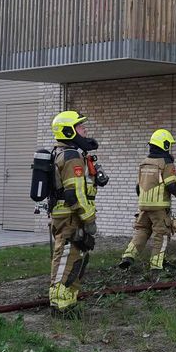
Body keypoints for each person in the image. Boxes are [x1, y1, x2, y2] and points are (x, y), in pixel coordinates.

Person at [46, 111, 103, 316]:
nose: (85, 130)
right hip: (70, 216)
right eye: (80, 127)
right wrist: (90, 219)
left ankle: (69, 300)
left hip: (69, 215)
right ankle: (59, 305)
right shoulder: (71, 156)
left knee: (77, 257)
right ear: (68, 131)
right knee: (67, 258)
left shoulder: (67, 153)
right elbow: (75, 194)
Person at [119, 129, 176, 272]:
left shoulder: (144, 162)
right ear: (165, 144)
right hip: (159, 206)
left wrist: (144, 201)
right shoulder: (166, 163)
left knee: (142, 231)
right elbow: (172, 186)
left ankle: (128, 256)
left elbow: (138, 186)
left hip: (143, 205)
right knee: (161, 234)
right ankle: (157, 264)